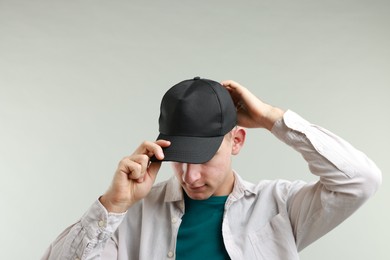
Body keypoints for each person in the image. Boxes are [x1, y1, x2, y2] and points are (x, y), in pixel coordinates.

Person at [42, 77, 381, 260]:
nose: (191, 176)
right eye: (180, 159)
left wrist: (272, 119)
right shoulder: (134, 215)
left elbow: (361, 180)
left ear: (237, 141)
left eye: (204, 159)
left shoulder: (280, 208)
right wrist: (112, 206)